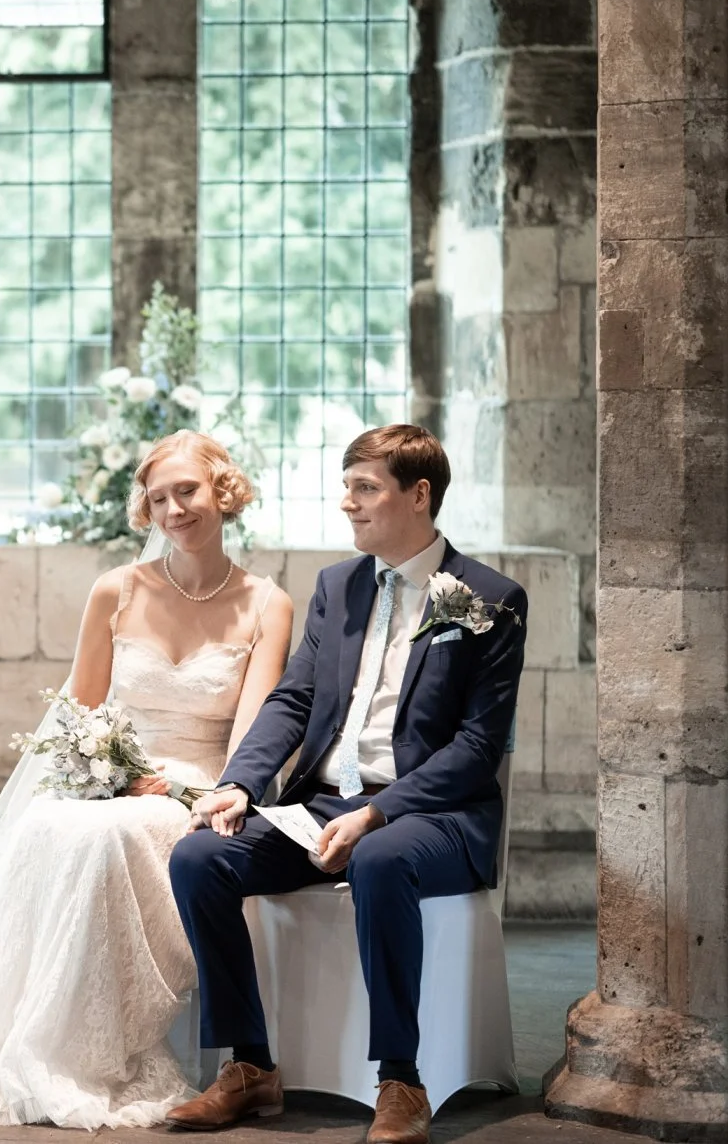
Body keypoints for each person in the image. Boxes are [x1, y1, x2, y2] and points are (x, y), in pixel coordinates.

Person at [0, 432, 294, 1130]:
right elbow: (76, 714)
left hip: (198, 788)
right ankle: (29, 1041)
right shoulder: (116, 592)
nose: (173, 510)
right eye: (157, 499)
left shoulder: (266, 603)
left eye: (186, 491)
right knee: (48, 825)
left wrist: (193, 791)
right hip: (113, 775)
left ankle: (90, 1052)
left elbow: (254, 739)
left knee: (112, 839)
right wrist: (108, 770)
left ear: (221, 490)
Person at [166, 425, 527, 1144]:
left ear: (418, 495)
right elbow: (294, 700)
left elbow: (477, 748)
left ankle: (401, 1079)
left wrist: (380, 814)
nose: (348, 505)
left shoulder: (489, 597)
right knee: (199, 857)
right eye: (347, 488)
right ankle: (249, 1065)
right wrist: (241, 783)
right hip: (325, 801)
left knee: (381, 856)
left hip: (435, 813)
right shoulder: (338, 587)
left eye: (365, 489)